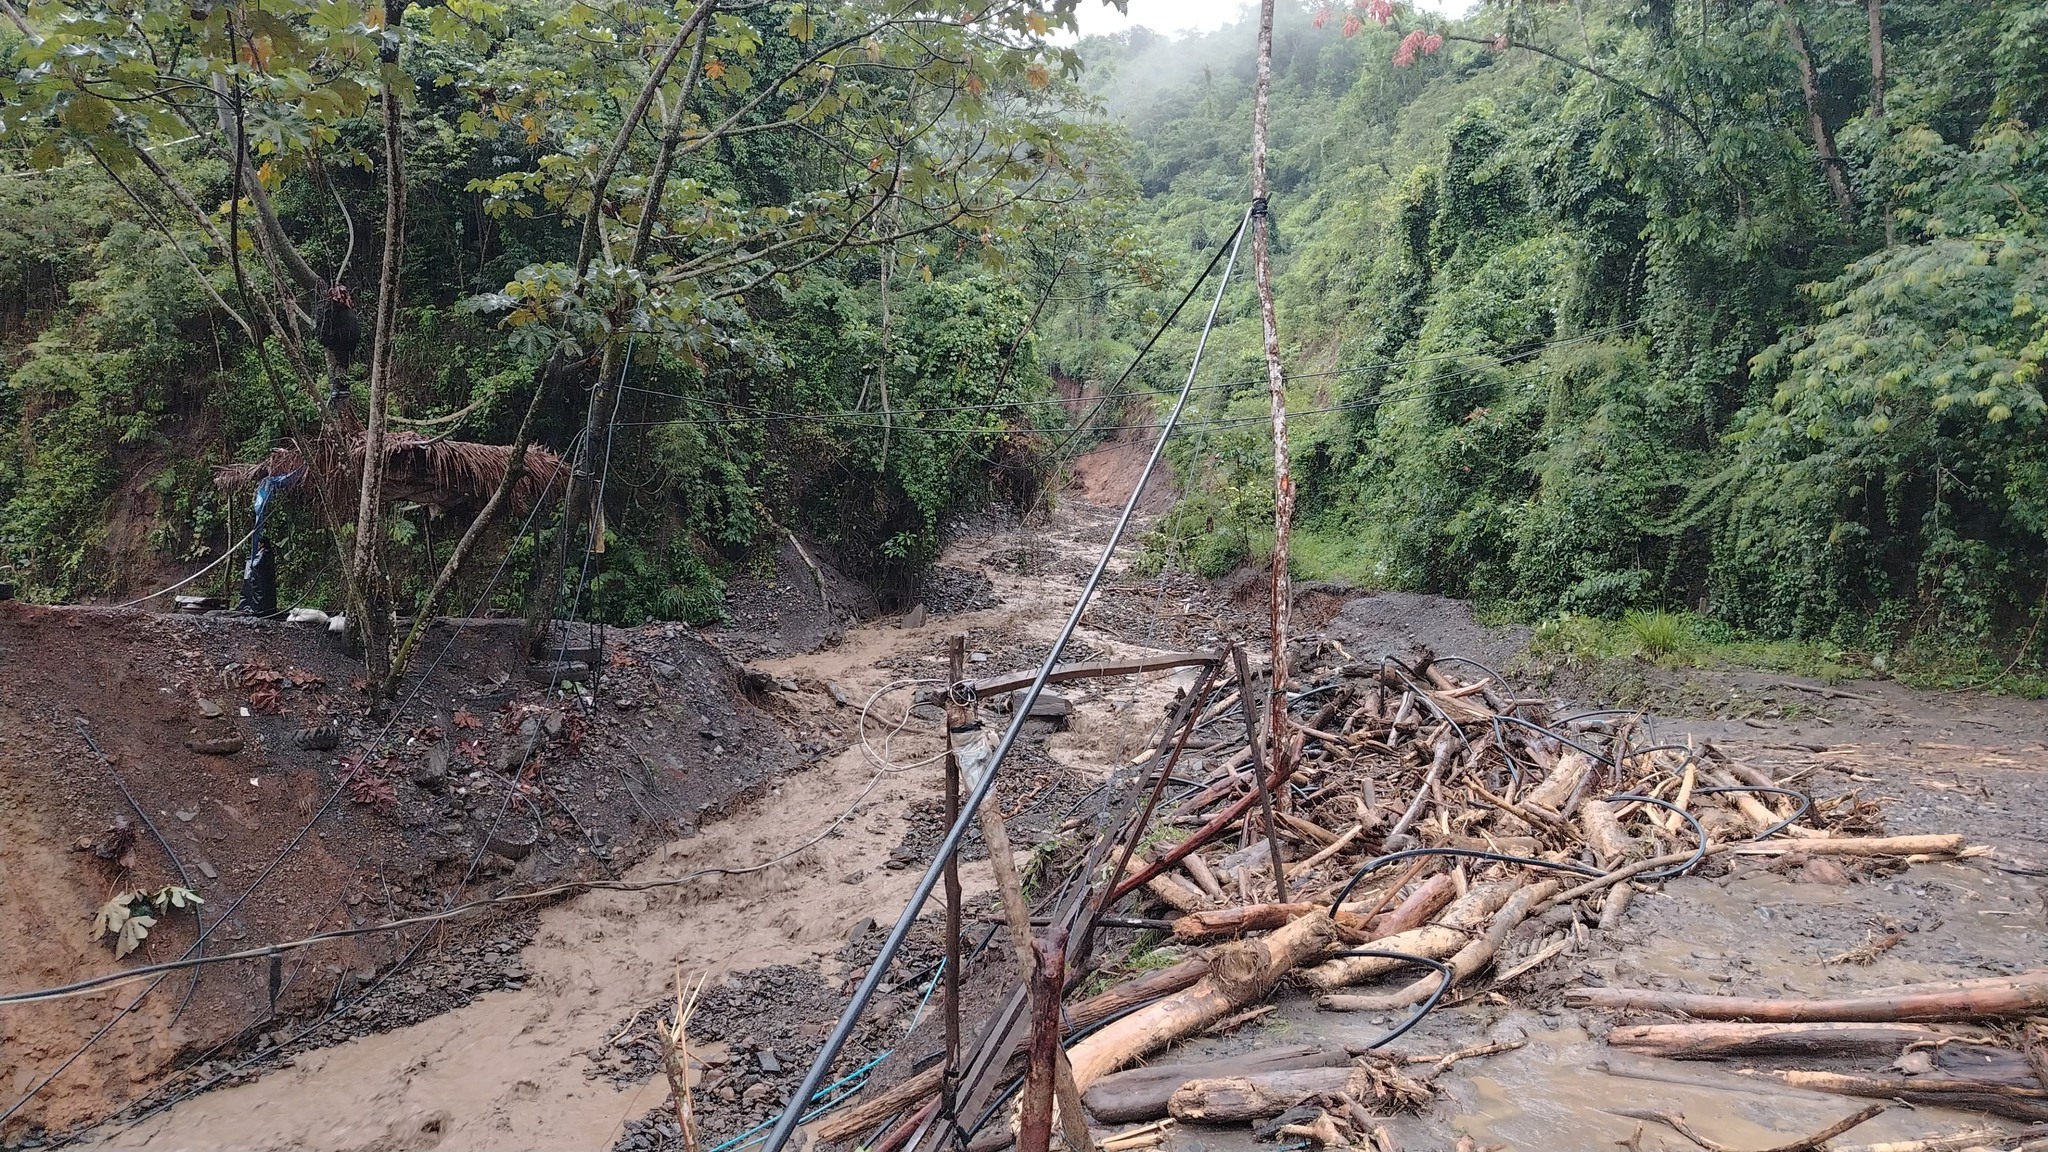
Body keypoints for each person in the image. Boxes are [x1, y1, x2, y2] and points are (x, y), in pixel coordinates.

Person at [238, 538, 278, 616]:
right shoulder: (260, 554)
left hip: (260, 581)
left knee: (260, 595)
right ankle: (250, 607)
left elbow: (256, 565)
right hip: (256, 580)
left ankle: (258, 609)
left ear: (262, 544)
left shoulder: (265, 554)